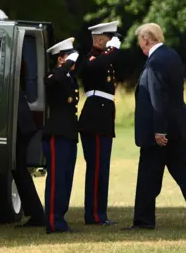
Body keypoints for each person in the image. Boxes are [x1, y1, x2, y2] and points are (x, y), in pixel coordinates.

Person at [124, 23, 186, 231]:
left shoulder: (155, 62)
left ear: (146, 40)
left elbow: (159, 97)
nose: (140, 46)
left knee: (148, 176)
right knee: (184, 173)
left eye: (140, 41)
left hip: (161, 131)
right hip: (178, 127)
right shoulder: (172, 55)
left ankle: (143, 221)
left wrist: (159, 130)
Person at [76, 20, 122, 226]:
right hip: (93, 120)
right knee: (96, 169)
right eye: (109, 39)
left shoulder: (104, 59)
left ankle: (100, 213)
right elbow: (98, 65)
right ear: (99, 39)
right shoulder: (90, 59)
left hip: (103, 119)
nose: (112, 43)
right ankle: (93, 215)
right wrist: (112, 50)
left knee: (102, 169)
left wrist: (111, 51)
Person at [42, 36, 80, 234]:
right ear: (60, 59)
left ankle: (60, 218)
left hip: (69, 134)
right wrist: (67, 64)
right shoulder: (54, 75)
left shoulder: (69, 78)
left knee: (66, 178)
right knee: (57, 179)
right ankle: (52, 221)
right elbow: (53, 80)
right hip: (56, 134)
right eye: (69, 57)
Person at [13, 59, 46, 228]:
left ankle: (37, 214)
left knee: (20, 171)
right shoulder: (20, 68)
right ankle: (35, 213)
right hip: (23, 123)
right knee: (19, 171)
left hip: (21, 125)